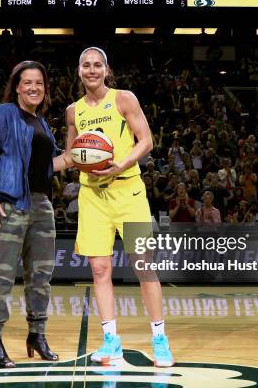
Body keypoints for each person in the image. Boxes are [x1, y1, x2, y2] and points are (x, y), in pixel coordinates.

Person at [56, 47, 174, 367]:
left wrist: (118, 165)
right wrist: (35, 168)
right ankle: (111, 340)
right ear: (78, 71)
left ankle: (159, 336)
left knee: (143, 266)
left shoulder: (124, 99)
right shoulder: (73, 111)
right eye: (86, 65)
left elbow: (146, 140)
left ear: (106, 70)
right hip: (92, 197)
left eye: (97, 65)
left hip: (129, 193)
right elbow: (70, 156)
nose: (91, 70)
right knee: (99, 269)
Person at [0, 60, 65, 368]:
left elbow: (50, 165)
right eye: (27, 82)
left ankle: (36, 335)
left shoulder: (42, 122)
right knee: (2, 276)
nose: (34, 87)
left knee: (41, 277)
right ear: (17, 86)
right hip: (10, 203)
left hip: (42, 205)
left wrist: (88, 155)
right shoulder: (2, 113)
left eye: (39, 83)